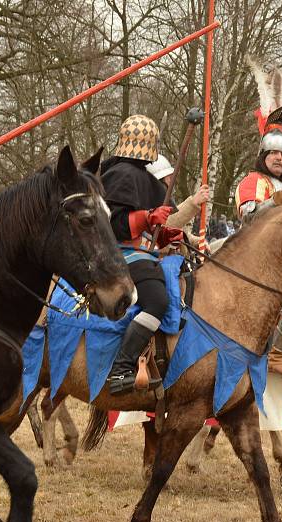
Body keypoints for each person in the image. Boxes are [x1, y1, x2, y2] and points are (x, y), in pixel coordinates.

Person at [101, 115, 184, 394]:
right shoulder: (119, 175)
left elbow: (154, 231)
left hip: (147, 256)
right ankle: (121, 369)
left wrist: (166, 234)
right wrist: (148, 217)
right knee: (157, 301)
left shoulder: (149, 181)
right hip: (120, 255)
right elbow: (112, 225)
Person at [235, 104, 282, 378]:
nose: (279, 158)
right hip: (254, 261)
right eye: (273, 152)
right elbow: (250, 219)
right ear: (263, 155)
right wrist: (278, 200)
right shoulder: (252, 181)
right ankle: (275, 351)